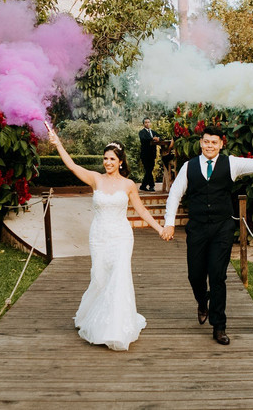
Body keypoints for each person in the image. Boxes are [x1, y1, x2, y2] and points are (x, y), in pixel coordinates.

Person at [46, 123, 167, 351]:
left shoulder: (128, 184)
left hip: (121, 237)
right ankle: (93, 316)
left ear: (121, 161)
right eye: (105, 158)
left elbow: (141, 211)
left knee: (119, 277)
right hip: (99, 235)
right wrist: (58, 144)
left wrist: (160, 229)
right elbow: (72, 166)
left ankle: (114, 328)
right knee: (100, 277)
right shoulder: (95, 179)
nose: (108, 163)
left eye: (112, 159)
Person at [161, 123, 253, 345]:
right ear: (201, 143)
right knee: (195, 275)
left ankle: (219, 326)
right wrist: (169, 223)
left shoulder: (231, 163)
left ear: (221, 144)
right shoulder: (189, 167)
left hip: (222, 228)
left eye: (214, 142)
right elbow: (174, 195)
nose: (209, 145)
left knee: (217, 276)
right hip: (197, 229)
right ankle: (202, 301)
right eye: (206, 141)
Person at [138, 117, 160, 191]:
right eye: (146, 122)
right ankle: (151, 186)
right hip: (145, 155)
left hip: (152, 155)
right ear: (143, 124)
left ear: (150, 123)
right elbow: (144, 140)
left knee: (149, 170)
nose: (147, 123)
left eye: (148, 122)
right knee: (148, 170)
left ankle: (143, 186)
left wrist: (158, 139)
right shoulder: (141, 132)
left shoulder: (153, 132)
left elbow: (159, 137)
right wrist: (152, 139)